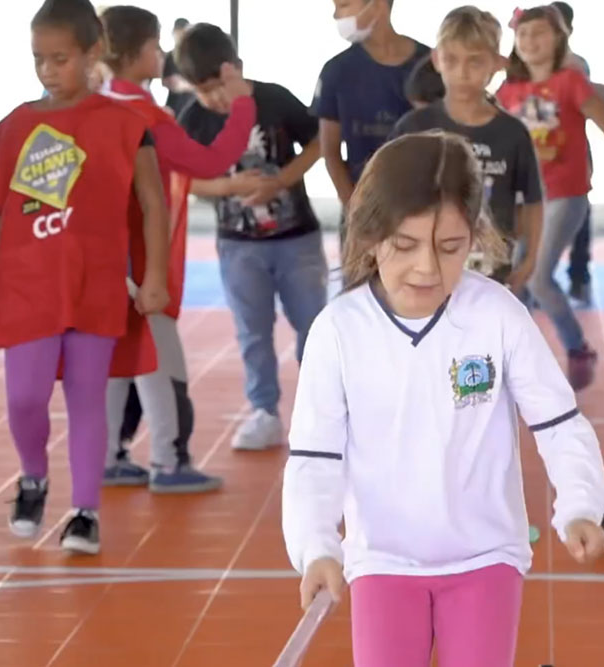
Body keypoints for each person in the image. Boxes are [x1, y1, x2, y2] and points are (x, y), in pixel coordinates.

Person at [282, 132, 604, 667]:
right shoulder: (338, 331)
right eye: (405, 246)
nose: (428, 268)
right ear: (369, 235)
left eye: (450, 247)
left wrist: (579, 504)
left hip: (486, 558)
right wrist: (316, 546)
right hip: (381, 562)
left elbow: (559, 423)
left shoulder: (497, 315)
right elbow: (315, 457)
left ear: (475, 236)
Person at [0, 0, 170, 554]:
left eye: (59, 59)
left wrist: (153, 276)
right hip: (26, 282)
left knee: (89, 399)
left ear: (92, 53)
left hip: (96, 283)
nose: (46, 71)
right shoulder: (19, 124)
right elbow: (0, 205)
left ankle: (85, 510)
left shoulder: (128, 125)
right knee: (24, 398)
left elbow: (153, 204)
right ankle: (32, 477)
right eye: (38, 59)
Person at [98, 5, 257, 490]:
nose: (162, 54)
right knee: (160, 363)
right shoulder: (143, 116)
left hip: (108, 260)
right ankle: (169, 461)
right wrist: (243, 105)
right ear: (136, 53)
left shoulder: (99, 104)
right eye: (154, 47)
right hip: (145, 263)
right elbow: (210, 162)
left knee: (118, 364)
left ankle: (107, 455)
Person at [178, 23, 328, 451]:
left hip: (296, 237)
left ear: (237, 69)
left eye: (220, 86)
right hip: (238, 246)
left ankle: (324, 408)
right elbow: (178, 178)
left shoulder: (274, 98)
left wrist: (281, 180)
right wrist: (225, 187)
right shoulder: (194, 118)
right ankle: (264, 410)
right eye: (203, 90)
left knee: (314, 326)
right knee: (253, 332)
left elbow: (320, 142)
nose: (215, 99)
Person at [496, 5, 604, 391]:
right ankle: (516, 359)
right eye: (523, 35)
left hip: (565, 196)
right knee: (515, 283)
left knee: (537, 278)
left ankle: (577, 348)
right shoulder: (507, 91)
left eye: (539, 34)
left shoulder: (571, 82)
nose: (531, 42)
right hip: (524, 200)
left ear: (558, 38)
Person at [391, 7, 543, 294]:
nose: (462, 72)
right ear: (437, 60)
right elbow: (386, 196)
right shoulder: (412, 128)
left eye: (475, 62)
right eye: (451, 60)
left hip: (491, 275)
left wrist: (532, 256)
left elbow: (533, 200)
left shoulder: (513, 134)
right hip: (424, 272)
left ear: (497, 64)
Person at [313, 0, 429, 239]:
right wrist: (355, 209)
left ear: (377, 5)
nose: (337, 15)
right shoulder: (336, 71)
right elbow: (330, 152)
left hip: (422, 206)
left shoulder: (430, 65)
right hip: (361, 208)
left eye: (344, 5)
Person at [551, 1, 593, 305]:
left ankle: (579, 277)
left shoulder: (576, 65)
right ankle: (541, 278)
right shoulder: (526, 65)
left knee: (579, 217)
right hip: (540, 155)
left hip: (574, 152)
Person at [162, 17, 195, 117]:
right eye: (178, 32)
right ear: (173, 33)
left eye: (184, 33)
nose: (181, 36)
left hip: (192, 104)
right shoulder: (169, 57)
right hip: (175, 105)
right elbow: (168, 82)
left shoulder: (194, 56)